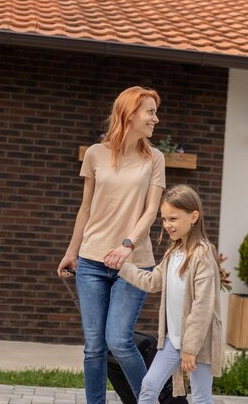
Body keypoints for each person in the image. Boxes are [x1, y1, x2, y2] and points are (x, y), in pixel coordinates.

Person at [57, 86, 166, 404]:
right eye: (150, 112)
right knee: (94, 346)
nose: (155, 119)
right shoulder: (95, 154)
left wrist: (127, 246)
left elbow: (150, 210)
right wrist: (71, 251)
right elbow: (86, 208)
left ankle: (147, 401)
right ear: (130, 114)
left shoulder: (154, 159)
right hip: (90, 261)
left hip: (133, 263)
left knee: (118, 340)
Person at [106, 185, 223, 404]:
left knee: (200, 396)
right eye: (164, 219)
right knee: (149, 387)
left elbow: (202, 306)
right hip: (173, 340)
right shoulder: (173, 252)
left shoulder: (203, 254)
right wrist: (122, 266)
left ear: (193, 217)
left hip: (199, 342)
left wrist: (190, 349)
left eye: (173, 219)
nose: (167, 225)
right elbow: (152, 282)